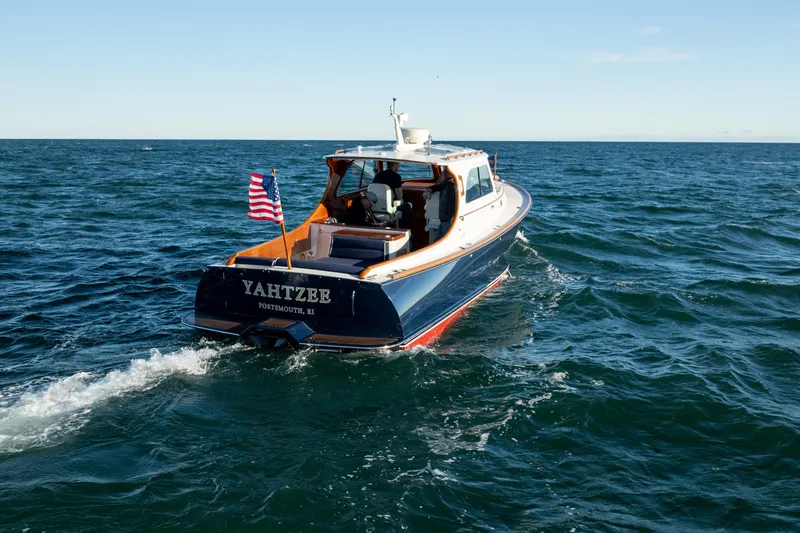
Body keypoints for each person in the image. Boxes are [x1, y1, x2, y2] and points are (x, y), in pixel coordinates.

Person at [372, 161, 412, 229]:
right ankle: (403, 229)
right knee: (408, 205)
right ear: (394, 165)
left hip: (375, 208)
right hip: (390, 208)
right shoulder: (396, 176)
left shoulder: (377, 176)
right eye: (398, 164)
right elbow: (399, 197)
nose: (398, 166)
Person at [425, 170, 456, 240]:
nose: (441, 175)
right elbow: (435, 187)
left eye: (442, 174)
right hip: (445, 219)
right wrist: (428, 191)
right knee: (438, 240)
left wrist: (428, 190)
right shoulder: (446, 185)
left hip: (448, 219)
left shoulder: (448, 186)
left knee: (440, 240)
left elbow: (436, 187)